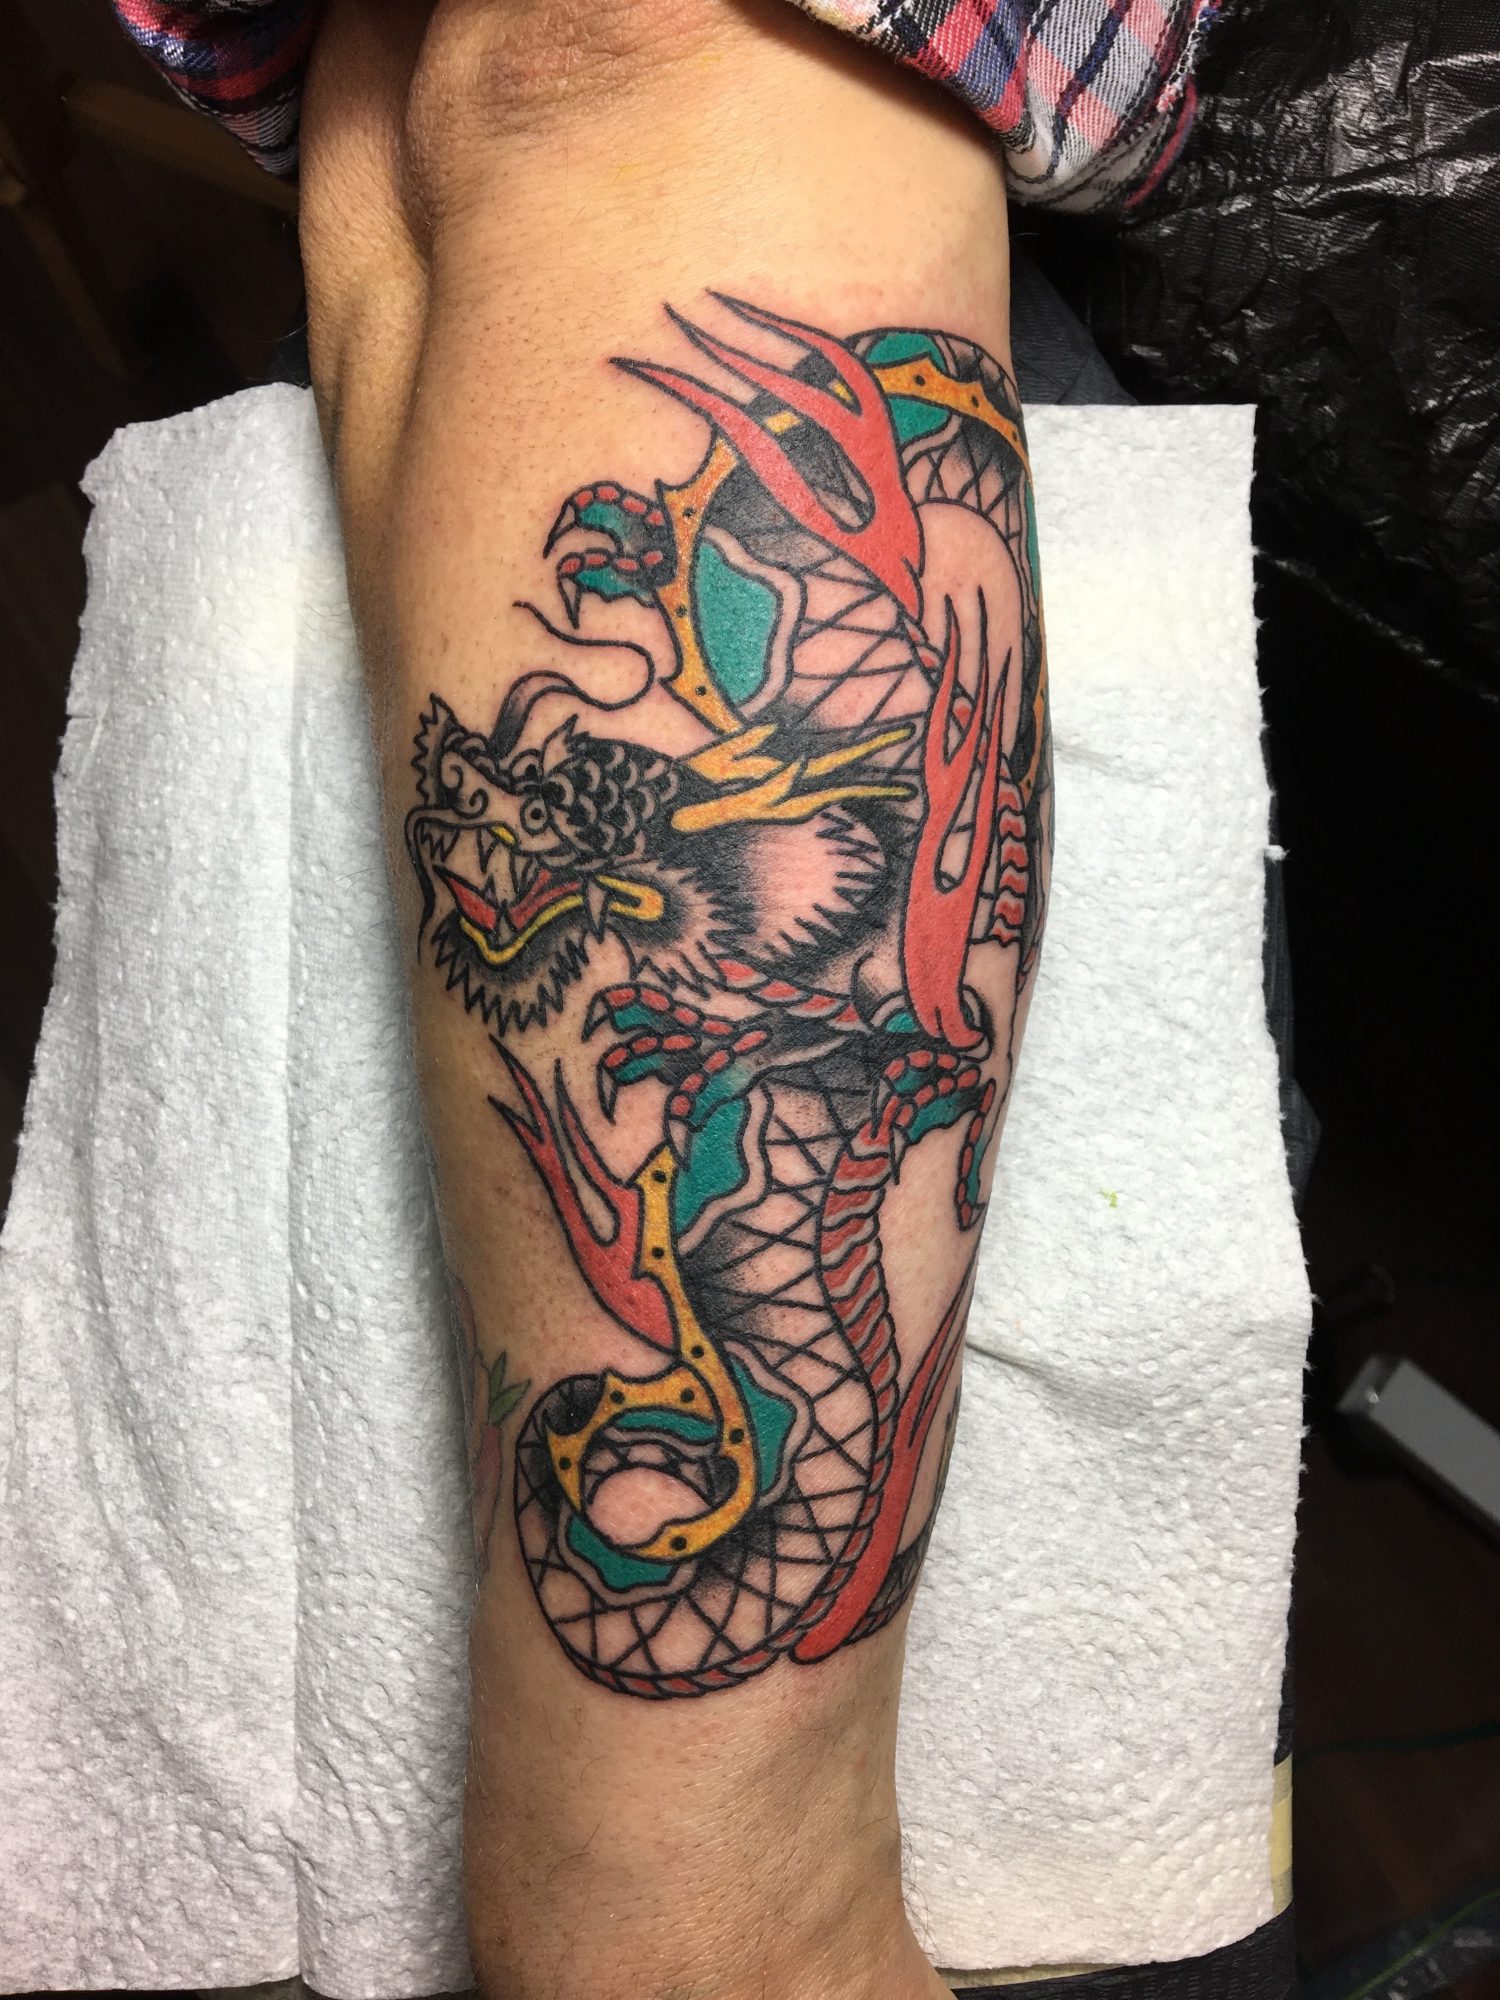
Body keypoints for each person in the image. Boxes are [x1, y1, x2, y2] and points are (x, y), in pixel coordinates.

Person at [108, 5, 1210, 1994]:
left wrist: (687, 1909)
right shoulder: (693, 743)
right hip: (452, 331)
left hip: (719, 217)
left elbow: (617, 43)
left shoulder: (775, 787)